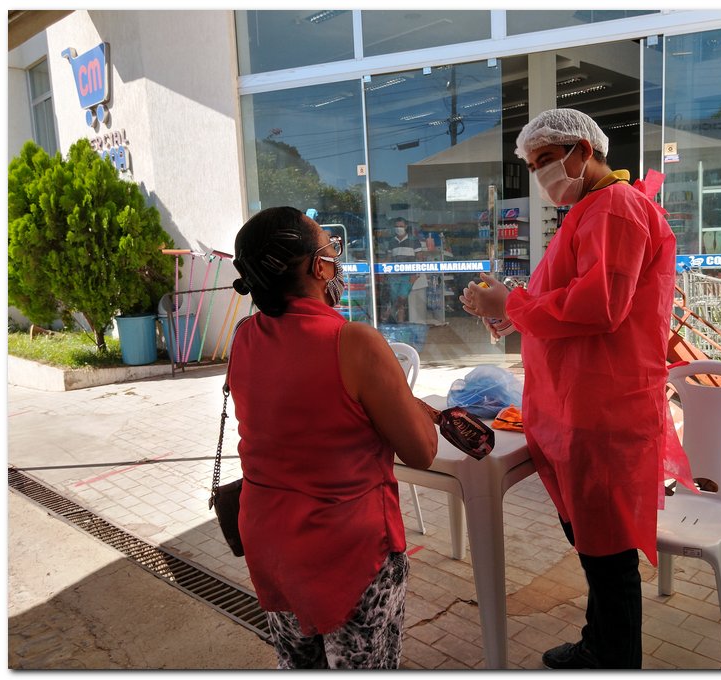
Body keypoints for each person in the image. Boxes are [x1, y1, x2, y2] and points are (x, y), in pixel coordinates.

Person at [459, 108, 692, 669]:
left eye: (545, 161)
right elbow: (566, 296)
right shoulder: (591, 211)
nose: (541, 176)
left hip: (601, 408)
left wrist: (510, 304)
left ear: (582, 152)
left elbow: (600, 306)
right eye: (533, 165)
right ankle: (600, 644)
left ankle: (613, 658)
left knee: (608, 555)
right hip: (578, 405)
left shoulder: (616, 208)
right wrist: (509, 310)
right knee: (593, 545)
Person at [228, 206, 438, 669]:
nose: (336, 260)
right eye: (330, 248)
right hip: (349, 555)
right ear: (316, 267)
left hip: (271, 545)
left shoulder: (244, 336)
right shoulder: (355, 342)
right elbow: (422, 452)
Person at [386, 217, 422, 323]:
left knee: (402, 298)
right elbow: (388, 259)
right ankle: (399, 323)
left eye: (401, 226)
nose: (398, 228)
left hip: (408, 275)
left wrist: (416, 275)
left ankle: (388, 313)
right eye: (396, 226)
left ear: (405, 227)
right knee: (395, 299)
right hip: (394, 276)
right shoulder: (391, 242)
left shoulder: (414, 240)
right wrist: (386, 273)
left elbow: (420, 258)